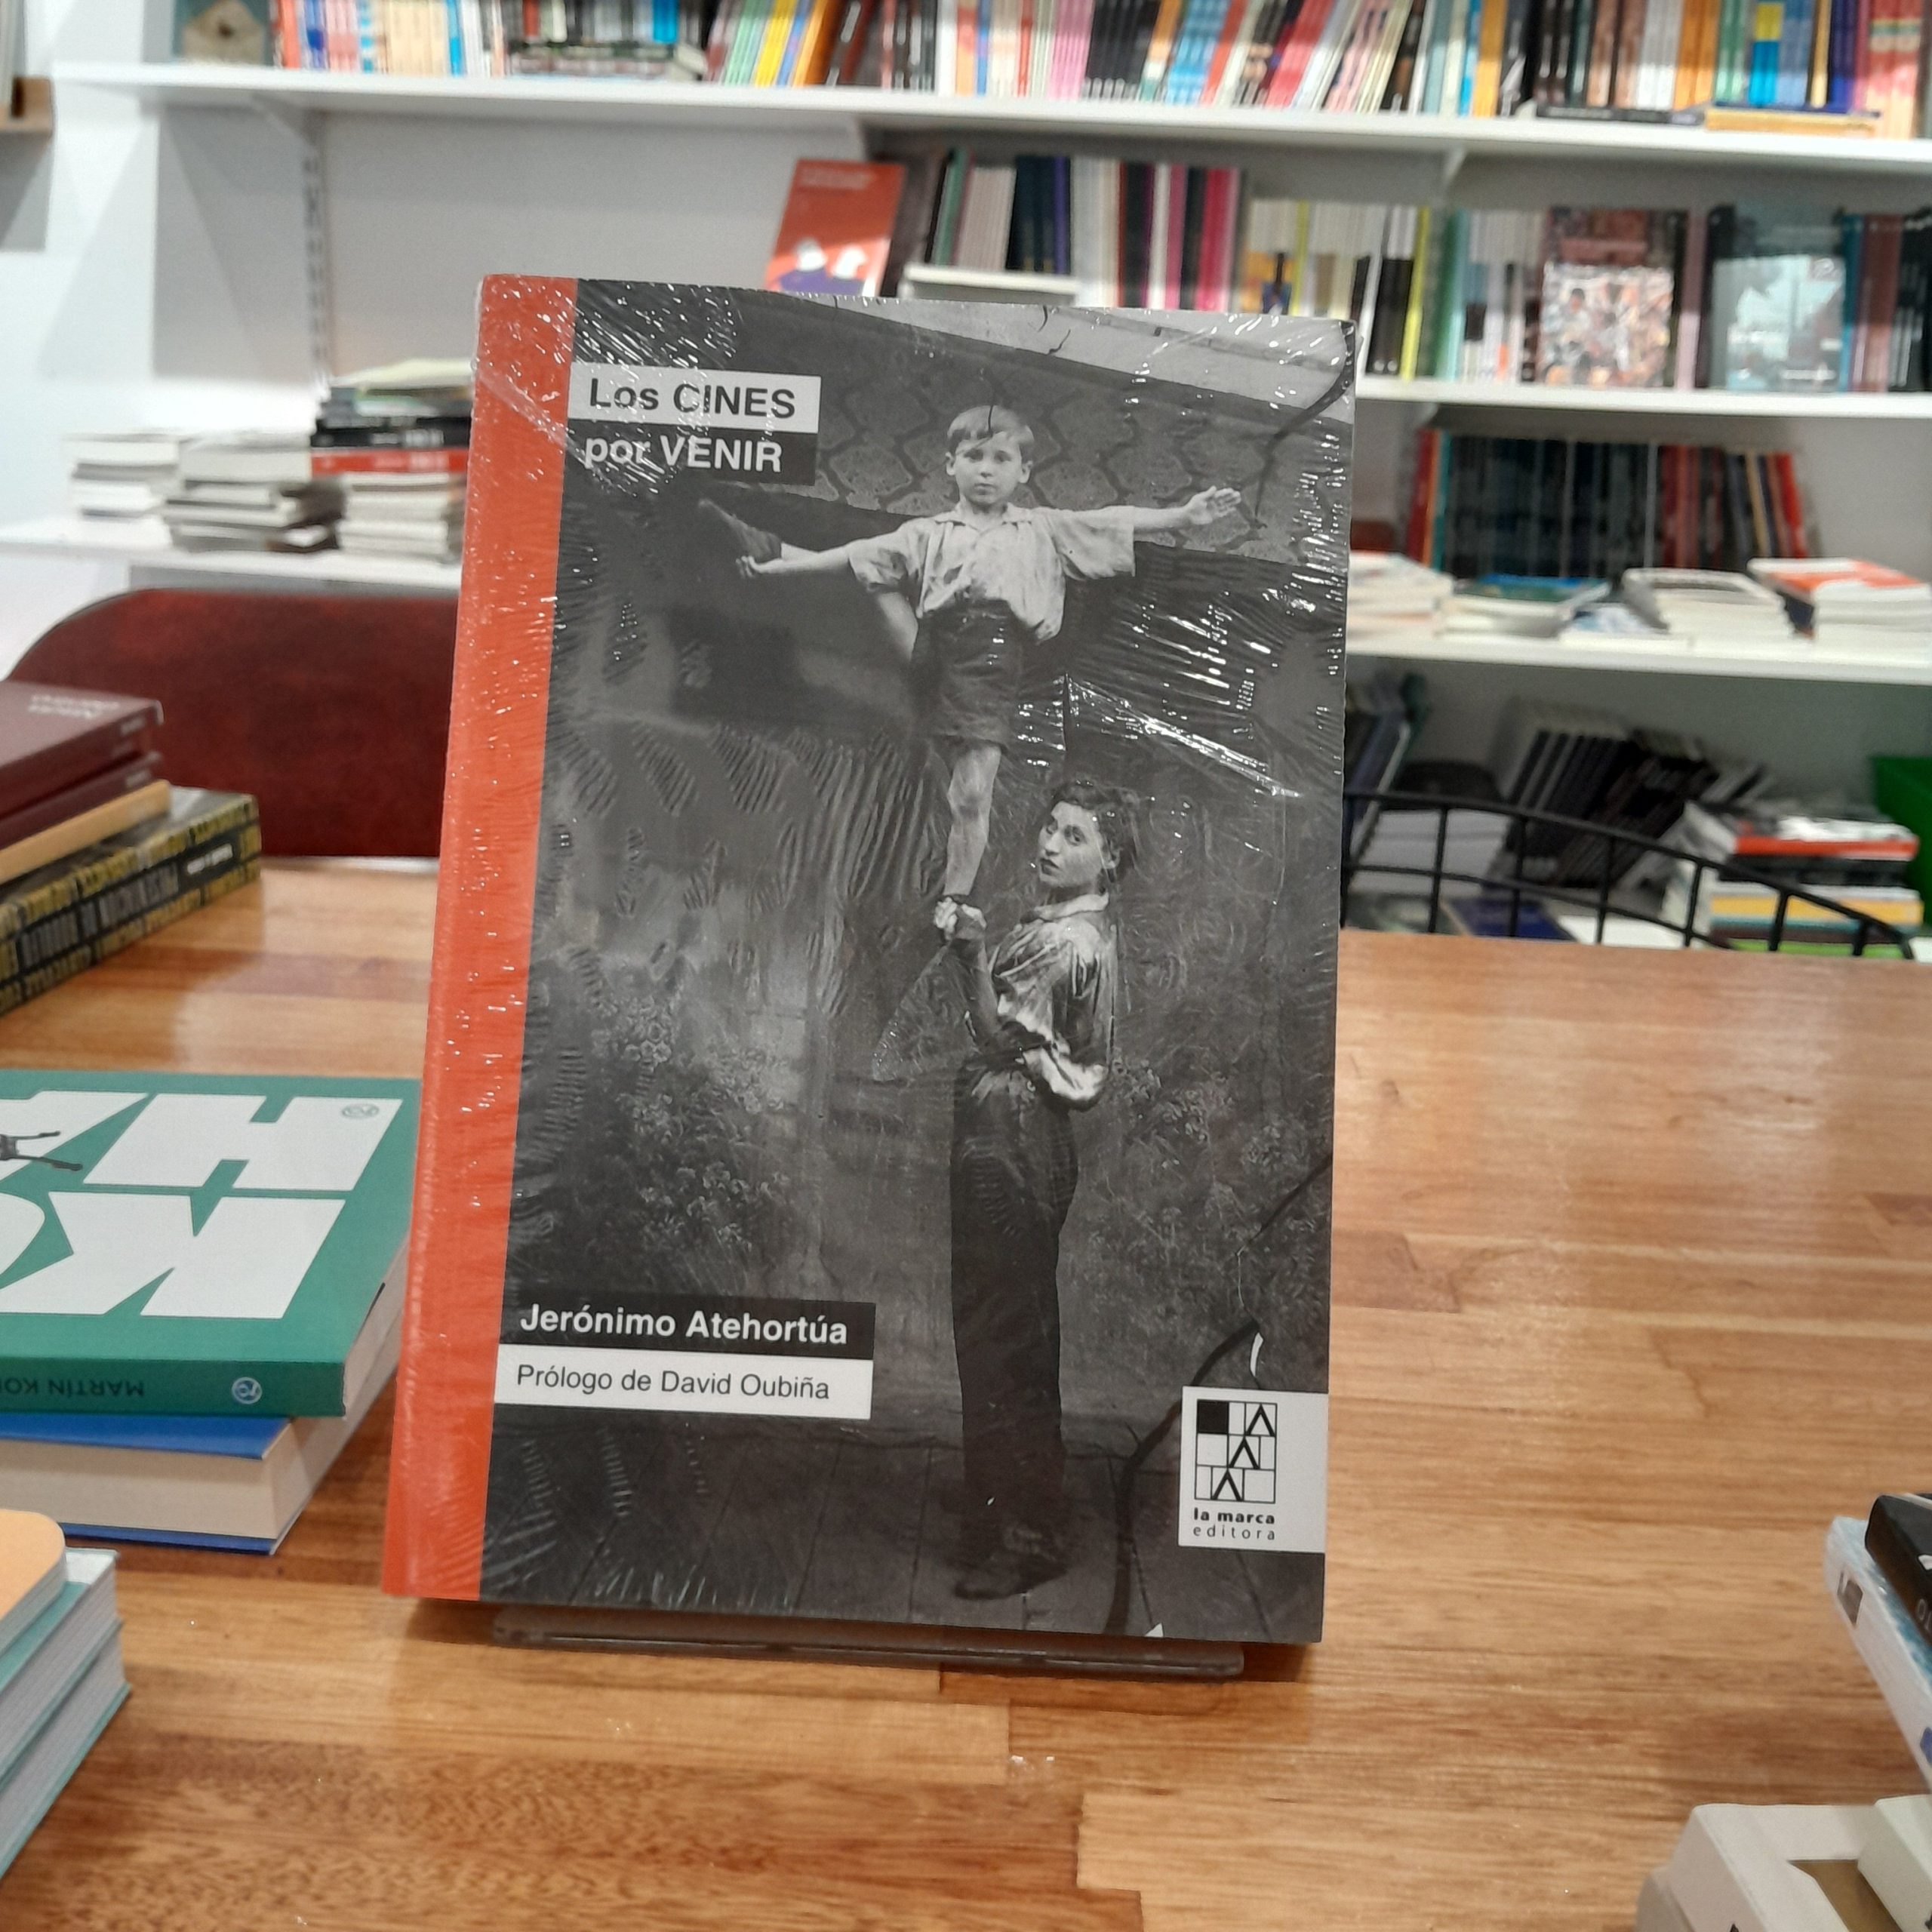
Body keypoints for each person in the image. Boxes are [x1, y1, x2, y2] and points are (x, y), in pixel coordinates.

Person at [716, 404, 1235, 935]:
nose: (986, 470)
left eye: (1001, 459)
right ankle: (778, 552)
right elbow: (859, 555)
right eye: (974, 456)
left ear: (1023, 471)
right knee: (872, 565)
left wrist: (1183, 516)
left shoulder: (1040, 530)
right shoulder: (932, 531)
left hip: (989, 665)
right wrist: (776, 570)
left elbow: (1111, 519)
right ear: (951, 465)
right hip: (930, 650)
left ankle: (955, 898)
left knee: (969, 794)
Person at [943, 777, 1137, 1601]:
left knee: (1007, 1333)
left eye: (1075, 835)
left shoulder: (1068, 943)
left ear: (1109, 858)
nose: (1050, 843)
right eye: (1050, 827)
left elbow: (995, 1036)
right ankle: (1001, 1509)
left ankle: (1029, 1533)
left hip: (1017, 1131)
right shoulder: (1060, 924)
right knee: (997, 1323)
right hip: (1010, 1127)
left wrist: (968, 955)